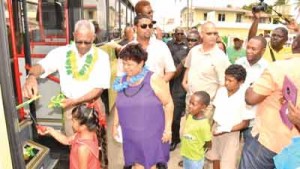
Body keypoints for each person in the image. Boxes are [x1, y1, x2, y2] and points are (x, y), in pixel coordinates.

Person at [22, 20, 111, 167]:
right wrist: (31, 76)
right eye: (79, 41)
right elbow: (42, 66)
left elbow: (99, 88)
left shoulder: (101, 57)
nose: (82, 46)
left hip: (92, 109)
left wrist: (74, 101)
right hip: (71, 111)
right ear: (74, 35)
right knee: (76, 147)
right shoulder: (62, 53)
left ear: (94, 37)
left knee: (97, 148)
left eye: (87, 42)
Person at [239, 34, 300, 169]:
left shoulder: (279, 67)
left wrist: (251, 86)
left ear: (294, 44)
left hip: (268, 142)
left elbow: (251, 98)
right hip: (294, 147)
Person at [112, 43, 174, 169]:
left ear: (141, 63)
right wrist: (115, 125)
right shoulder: (122, 81)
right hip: (130, 134)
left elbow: (168, 104)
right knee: (135, 163)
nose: (126, 67)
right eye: (124, 63)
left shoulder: (153, 79)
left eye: (130, 64)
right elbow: (119, 104)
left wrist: (168, 129)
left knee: (147, 164)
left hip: (150, 134)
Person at [182, 21, 231, 125]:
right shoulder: (194, 51)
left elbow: (223, 84)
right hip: (190, 102)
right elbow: (188, 68)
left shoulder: (220, 57)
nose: (213, 36)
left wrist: (212, 103)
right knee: (189, 135)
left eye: (215, 33)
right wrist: (184, 83)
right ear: (201, 34)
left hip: (206, 107)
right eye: (209, 33)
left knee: (201, 138)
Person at [206, 64, 250, 169]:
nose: (226, 83)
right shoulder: (221, 91)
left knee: (227, 163)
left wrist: (226, 129)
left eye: (230, 81)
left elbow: (245, 123)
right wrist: (208, 129)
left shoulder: (246, 97)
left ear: (240, 82)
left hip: (231, 134)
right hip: (216, 129)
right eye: (225, 79)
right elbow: (214, 111)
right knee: (215, 157)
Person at [38, 104, 101, 169]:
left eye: (73, 121)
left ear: (83, 126)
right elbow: (67, 140)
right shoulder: (87, 134)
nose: (71, 122)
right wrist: (50, 130)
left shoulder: (83, 148)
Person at [235, 36, 268, 144]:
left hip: (254, 120)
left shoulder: (267, 69)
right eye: (248, 47)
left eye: (253, 49)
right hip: (236, 116)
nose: (249, 51)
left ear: (263, 51)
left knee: (249, 153)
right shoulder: (239, 62)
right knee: (230, 150)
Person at [167, 27, 189, 151]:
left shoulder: (189, 46)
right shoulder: (169, 44)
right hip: (168, 82)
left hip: (180, 84)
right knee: (167, 112)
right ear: (174, 34)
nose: (180, 35)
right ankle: (173, 136)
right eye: (178, 33)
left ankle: (175, 139)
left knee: (175, 115)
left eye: (182, 33)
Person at [180, 91, 212, 169]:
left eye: (193, 104)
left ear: (203, 107)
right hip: (186, 154)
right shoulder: (190, 116)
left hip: (195, 159)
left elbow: (208, 143)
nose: (189, 106)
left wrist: (199, 150)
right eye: (190, 103)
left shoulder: (204, 124)